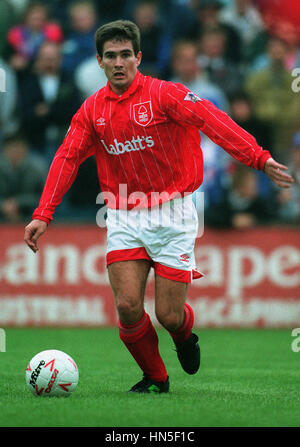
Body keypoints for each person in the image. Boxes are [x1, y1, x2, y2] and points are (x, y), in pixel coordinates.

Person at [24, 20, 294, 394]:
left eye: (124, 55)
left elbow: (211, 119)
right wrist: (42, 214)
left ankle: (184, 337)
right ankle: (156, 378)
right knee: (129, 306)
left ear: (138, 57)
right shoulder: (91, 111)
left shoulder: (165, 95)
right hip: (123, 213)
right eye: (110, 56)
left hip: (174, 211)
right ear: (99, 62)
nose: (118, 63)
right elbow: (67, 157)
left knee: (168, 315)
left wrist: (259, 158)